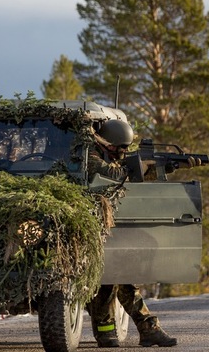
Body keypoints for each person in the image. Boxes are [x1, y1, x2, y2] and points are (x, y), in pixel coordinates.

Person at [85, 119, 182, 348]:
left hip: (113, 226)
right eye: (120, 148)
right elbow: (113, 174)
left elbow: (131, 176)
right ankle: (108, 332)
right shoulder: (89, 156)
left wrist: (164, 167)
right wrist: (142, 166)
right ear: (106, 143)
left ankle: (147, 329)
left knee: (121, 278)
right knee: (108, 279)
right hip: (93, 226)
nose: (123, 152)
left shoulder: (112, 156)